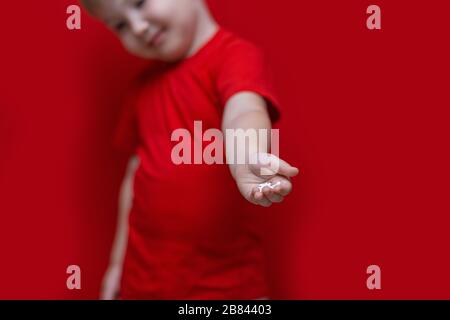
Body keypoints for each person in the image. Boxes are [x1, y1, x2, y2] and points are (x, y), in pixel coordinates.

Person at [80, 0, 299, 299]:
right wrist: (117, 263)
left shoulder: (233, 55)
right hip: (143, 281)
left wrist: (247, 155)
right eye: (120, 25)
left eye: (141, 3)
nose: (138, 27)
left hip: (225, 285)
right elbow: (133, 179)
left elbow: (244, 110)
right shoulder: (140, 89)